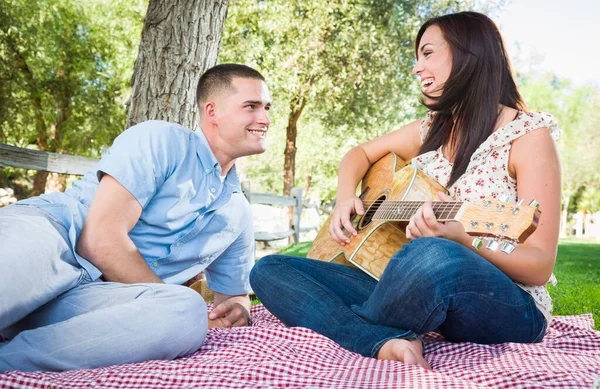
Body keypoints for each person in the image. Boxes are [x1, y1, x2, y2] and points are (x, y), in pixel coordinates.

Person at [250, 11, 561, 370]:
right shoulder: (431, 130)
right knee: (268, 270)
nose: (417, 67)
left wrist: (464, 242)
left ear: (468, 54)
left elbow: (539, 266)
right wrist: (345, 196)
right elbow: (359, 154)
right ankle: (380, 339)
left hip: (509, 305)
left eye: (428, 53)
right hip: (410, 285)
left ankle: (345, 319)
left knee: (431, 254)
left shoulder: (526, 135)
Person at [0, 63, 272, 372]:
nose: (264, 119)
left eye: (267, 108)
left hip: (89, 300)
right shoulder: (162, 140)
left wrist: (237, 312)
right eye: (251, 106)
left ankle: (9, 364)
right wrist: (156, 295)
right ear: (212, 112)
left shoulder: (238, 213)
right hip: (53, 238)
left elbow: (234, 294)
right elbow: (100, 240)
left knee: (185, 312)